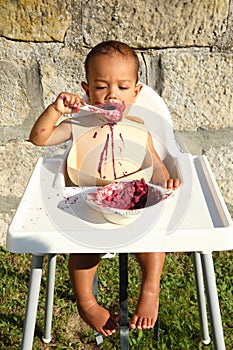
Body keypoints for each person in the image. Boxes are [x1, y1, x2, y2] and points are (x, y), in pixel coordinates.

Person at [30, 40, 180, 337]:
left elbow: (154, 162)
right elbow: (39, 138)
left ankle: (150, 290)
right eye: (101, 87)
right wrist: (55, 110)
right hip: (86, 207)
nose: (112, 94)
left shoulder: (139, 126)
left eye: (123, 87)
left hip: (134, 205)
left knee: (153, 245)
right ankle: (87, 304)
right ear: (87, 90)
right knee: (82, 256)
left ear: (136, 92)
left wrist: (165, 181)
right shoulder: (78, 124)